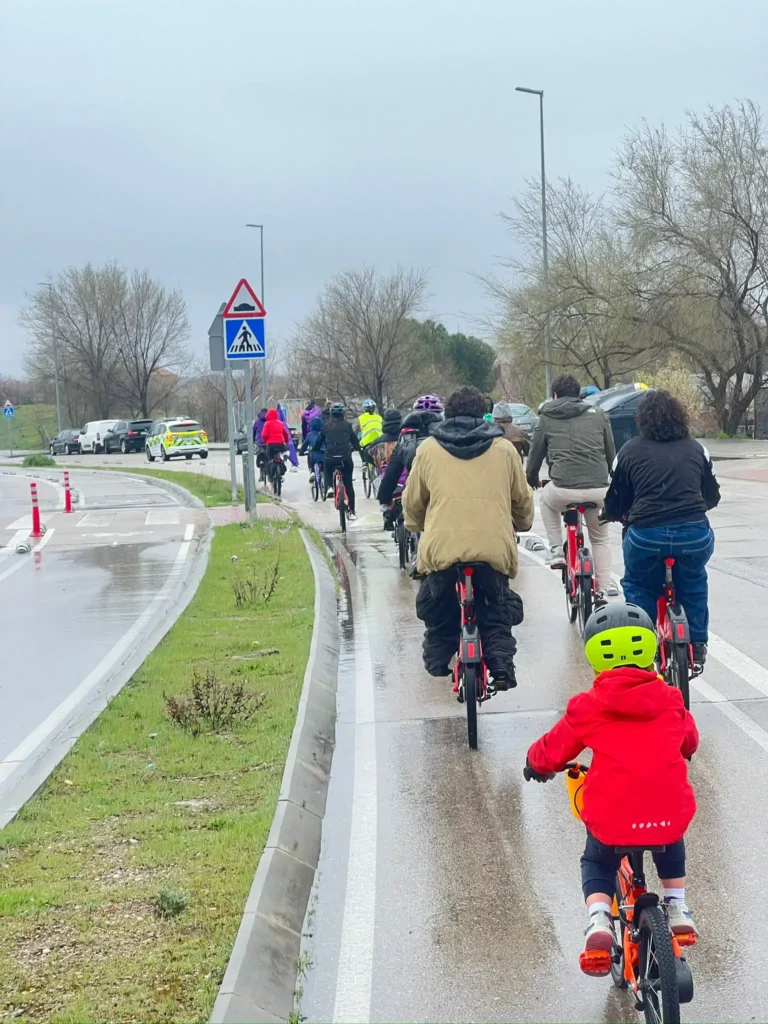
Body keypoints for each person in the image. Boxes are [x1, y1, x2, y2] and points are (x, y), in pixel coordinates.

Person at [524, 602, 699, 975]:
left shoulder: (589, 706)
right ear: (650, 647)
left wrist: (535, 764)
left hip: (613, 815)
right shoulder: (670, 698)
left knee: (597, 858)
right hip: (666, 811)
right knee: (670, 837)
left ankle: (600, 918)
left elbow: (554, 750)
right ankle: (677, 903)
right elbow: (690, 742)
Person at [402, 386, 534, 688]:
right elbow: (523, 501)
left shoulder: (428, 450)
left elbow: (412, 504)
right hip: (493, 550)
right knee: (497, 611)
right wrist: (522, 524)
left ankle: (437, 660)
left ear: (448, 415)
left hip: (443, 550)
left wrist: (417, 525)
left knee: (437, 608)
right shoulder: (504, 450)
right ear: (483, 414)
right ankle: (501, 666)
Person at [602, 389, 720, 668]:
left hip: (646, 535)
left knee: (638, 584)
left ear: (641, 419)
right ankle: (698, 643)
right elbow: (712, 496)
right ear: (680, 415)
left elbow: (615, 499)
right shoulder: (696, 448)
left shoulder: (629, 451)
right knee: (693, 581)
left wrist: (620, 516)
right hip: (694, 534)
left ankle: (642, 645)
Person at [526, 374, 617, 601]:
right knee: (600, 538)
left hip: (562, 490)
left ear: (554, 395)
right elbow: (610, 454)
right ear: (579, 395)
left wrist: (533, 479)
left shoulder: (546, 417)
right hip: (598, 490)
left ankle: (556, 550)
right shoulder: (599, 415)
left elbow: (534, 458)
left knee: (546, 500)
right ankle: (604, 589)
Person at [377, 395, 444, 507]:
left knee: (407, 518)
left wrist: (384, 497)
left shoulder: (407, 437)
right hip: (443, 494)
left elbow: (393, 470)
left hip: (414, 491)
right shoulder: (449, 436)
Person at [314, 402, 362, 517]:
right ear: (342, 413)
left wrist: (315, 449)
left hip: (331, 457)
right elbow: (354, 441)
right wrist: (357, 448)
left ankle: (330, 487)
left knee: (327, 469)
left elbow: (319, 441)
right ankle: (352, 510)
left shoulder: (326, 426)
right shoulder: (347, 426)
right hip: (345, 458)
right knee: (349, 484)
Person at [261, 408, 291, 478]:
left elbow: (264, 435)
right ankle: (282, 464)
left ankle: (270, 476)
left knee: (270, 459)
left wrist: (266, 442)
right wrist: (286, 441)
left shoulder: (267, 424)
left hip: (270, 445)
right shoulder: (281, 423)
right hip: (280, 444)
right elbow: (286, 434)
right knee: (283, 453)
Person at [298, 415, 325, 480]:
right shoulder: (323, 433)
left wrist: (301, 452)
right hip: (324, 455)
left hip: (314, 455)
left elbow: (305, 445)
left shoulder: (309, 435)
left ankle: (312, 471)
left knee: (310, 456)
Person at [253, 407, 268, 473]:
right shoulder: (269, 420)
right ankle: (268, 472)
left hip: (259, 442)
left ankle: (261, 475)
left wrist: (253, 440)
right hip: (268, 442)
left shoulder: (257, 421)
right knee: (268, 456)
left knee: (260, 456)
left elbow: (253, 432)